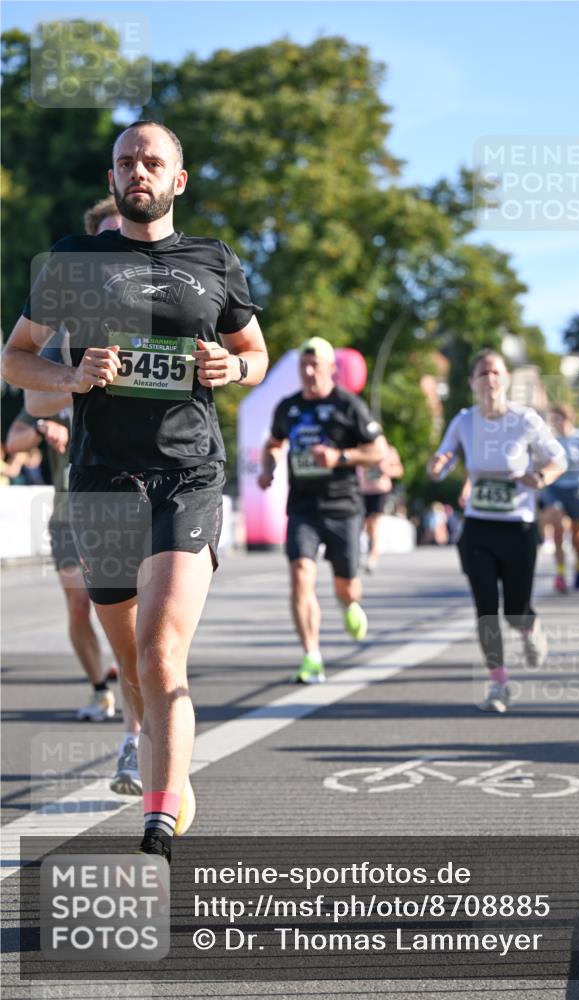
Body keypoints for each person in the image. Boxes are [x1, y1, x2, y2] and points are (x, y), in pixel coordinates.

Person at [2, 119, 268, 861]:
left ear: (177, 180)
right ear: (111, 180)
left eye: (153, 161)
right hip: (99, 481)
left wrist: (234, 369)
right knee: (133, 663)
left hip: (187, 472)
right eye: (126, 162)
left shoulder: (213, 260)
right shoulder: (74, 260)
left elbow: (255, 351)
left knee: (159, 653)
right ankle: (160, 766)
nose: (138, 171)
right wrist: (72, 377)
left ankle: (157, 818)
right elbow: (16, 359)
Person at [19, 198, 146, 793]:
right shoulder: (65, 327)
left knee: (153, 629)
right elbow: (30, 398)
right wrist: (75, 385)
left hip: (158, 487)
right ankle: (107, 692)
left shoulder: (160, 305)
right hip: (82, 495)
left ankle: (139, 735)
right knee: (88, 609)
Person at [428, 348, 566, 714]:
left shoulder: (525, 420)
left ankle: (529, 629)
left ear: (505, 380)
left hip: (518, 529)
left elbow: (558, 459)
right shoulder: (464, 421)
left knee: (515, 610)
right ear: (473, 383)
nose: (490, 379)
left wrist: (540, 477)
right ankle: (498, 683)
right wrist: (440, 464)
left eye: (496, 372)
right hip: (479, 529)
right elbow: (445, 455)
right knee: (486, 606)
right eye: (482, 373)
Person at [258, 337, 386, 684]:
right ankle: (312, 655)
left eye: (316, 365)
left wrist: (341, 457)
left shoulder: (349, 406)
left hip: (343, 506)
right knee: (301, 574)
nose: (310, 372)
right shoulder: (288, 407)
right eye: (304, 366)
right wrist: (268, 468)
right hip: (303, 507)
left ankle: (349, 604)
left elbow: (379, 451)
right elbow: (273, 444)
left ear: (332, 368)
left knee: (347, 586)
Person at [6, 404, 118, 723]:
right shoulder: (52, 389)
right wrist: (42, 427)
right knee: (79, 604)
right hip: (67, 518)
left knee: (125, 604)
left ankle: (142, 685)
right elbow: (13, 441)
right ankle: (100, 691)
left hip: (116, 511)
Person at [540, 403, 579, 592]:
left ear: (567, 419)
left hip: (577, 490)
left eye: (557, 419)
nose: (555, 424)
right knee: (557, 529)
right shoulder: (551, 440)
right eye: (552, 420)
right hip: (555, 488)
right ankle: (560, 574)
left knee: (578, 536)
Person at [359, 442, 404, 572]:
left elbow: (399, 470)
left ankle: (373, 556)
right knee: (363, 523)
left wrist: (387, 470)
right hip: (362, 490)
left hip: (380, 490)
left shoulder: (389, 450)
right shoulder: (360, 448)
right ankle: (364, 550)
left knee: (374, 522)